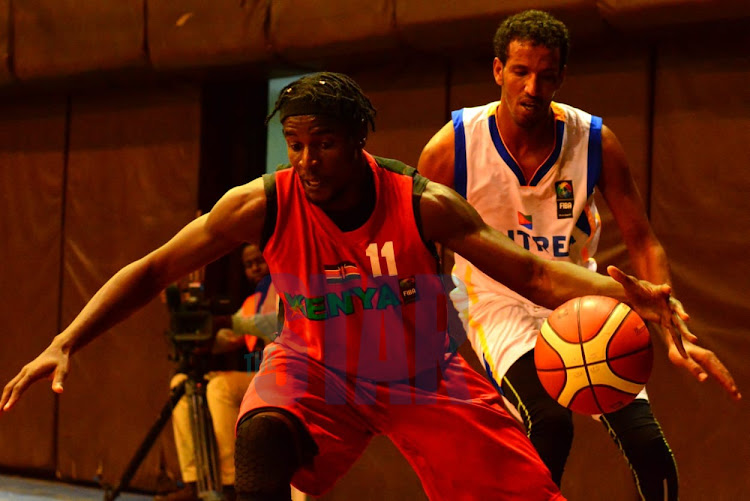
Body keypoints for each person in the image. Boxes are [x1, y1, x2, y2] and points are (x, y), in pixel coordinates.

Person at [0, 72, 721, 501]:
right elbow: (153, 266)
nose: (309, 158)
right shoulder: (264, 201)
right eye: (298, 143)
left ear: (360, 143)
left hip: (421, 377)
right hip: (312, 368)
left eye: (327, 144)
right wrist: (66, 341)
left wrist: (636, 299)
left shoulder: (420, 202)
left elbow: (530, 271)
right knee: (259, 451)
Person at [417, 9, 741, 501]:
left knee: (646, 442)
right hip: (494, 301)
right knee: (550, 421)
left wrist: (668, 322)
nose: (532, 87)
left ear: (561, 77)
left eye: (546, 76)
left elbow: (642, 239)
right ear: (498, 70)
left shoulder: (594, 141)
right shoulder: (452, 146)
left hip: (576, 298)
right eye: (521, 72)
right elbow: (417, 244)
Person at [157, 243, 277, 501]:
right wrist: (198, 334)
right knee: (182, 382)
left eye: (260, 260)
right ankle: (194, 479)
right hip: (256, 379)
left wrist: (226, 321)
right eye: (248, 264)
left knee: (220, 387)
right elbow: (228, 337)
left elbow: (269, 324)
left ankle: (231, 483)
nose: (255, 267)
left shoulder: (286, 290)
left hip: (283, 378)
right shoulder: (252, 301)